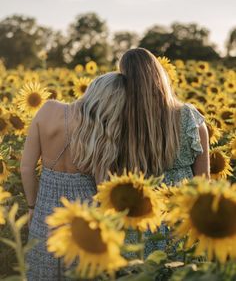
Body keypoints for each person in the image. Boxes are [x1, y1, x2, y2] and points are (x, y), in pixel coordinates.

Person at [20, 72, 126, 281]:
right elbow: (103, 187)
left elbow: (26, 167)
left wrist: (32, 206)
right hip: (85, 216)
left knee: (42, 271)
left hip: (45, 210)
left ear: (93, 89)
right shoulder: (102, 131)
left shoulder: (48, 109)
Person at [117, 48, 210, 256]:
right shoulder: (189, 117)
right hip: (180, 214)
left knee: (140, 271)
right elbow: (203, 182)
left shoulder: (118, 121)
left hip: (137, 212)